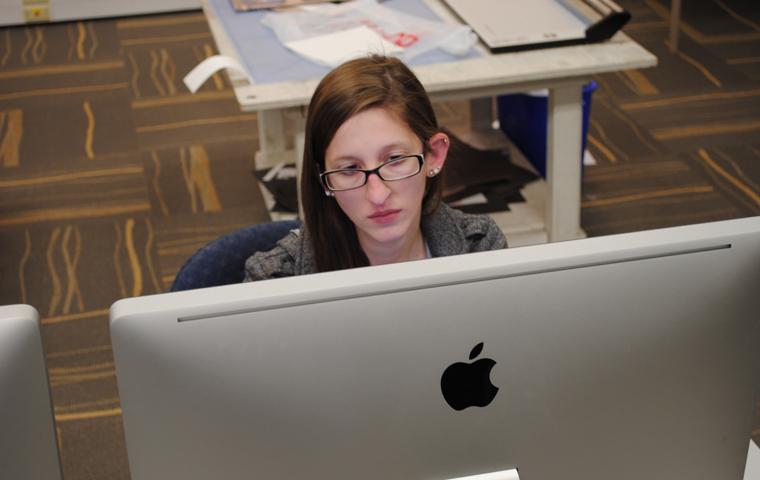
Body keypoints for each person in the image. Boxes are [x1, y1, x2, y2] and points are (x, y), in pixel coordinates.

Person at [244, 55, 506, 281]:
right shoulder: (274, 281)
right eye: (349, 169)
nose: (378, 195)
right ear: (323, 180)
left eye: (394, 160)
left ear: (434, 155)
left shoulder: (481, 249)